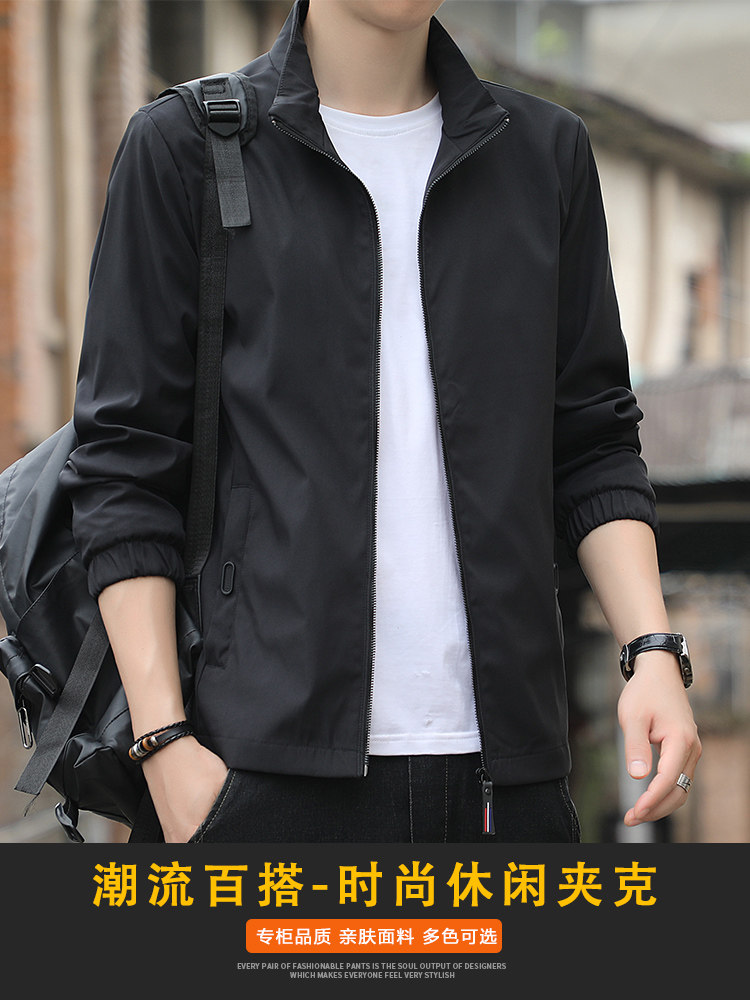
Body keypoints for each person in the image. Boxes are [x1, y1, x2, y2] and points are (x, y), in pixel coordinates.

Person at [60, 0, 700, 843]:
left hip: (508, 779)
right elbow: (125, 466)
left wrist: (652, 650)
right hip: (258, 771)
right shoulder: (187, 147)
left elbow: (593, 443)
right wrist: (164, 743)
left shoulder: (543, 154)